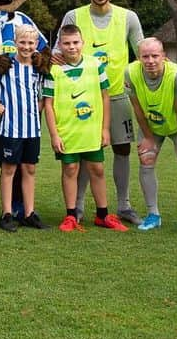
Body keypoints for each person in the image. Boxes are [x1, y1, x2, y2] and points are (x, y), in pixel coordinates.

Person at [56, 0, 145, 224]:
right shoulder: (74, 16)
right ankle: (79, 207)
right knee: (83, 151)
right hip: (81, 97)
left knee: (122, 149)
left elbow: (141, 53)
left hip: (116, 94)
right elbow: (57, 52)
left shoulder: (128, 17)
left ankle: (124, 205)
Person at [43, 24, 123, 232]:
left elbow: (105, 97)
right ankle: (70, 215)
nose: (72, 47)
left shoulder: (96, 65)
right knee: (70, 169)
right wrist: (54, 134)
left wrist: (105, 129)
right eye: (67, 43)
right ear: (59, 45)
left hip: (91, 130)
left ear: (83, 43)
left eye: (75, 42)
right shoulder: (53, 71)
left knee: (97, 169)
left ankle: (103, 215)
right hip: (68, 131)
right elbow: (48, 105)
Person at [0, 25, 47, 231]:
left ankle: (29, 213)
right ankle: (6, 213)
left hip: (32, 128)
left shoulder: (39, 68)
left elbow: (44, 94)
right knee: (9, 169)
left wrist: (37, 108)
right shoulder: (6, 66)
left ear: (36, 45)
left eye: (31, 43)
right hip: (10, 127)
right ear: (15, 43)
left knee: (30, 169)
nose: (26, 46)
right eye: (22, 42)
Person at [125, 38, 177, 235]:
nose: (150, 60)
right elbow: (136, 107)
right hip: (151, 123)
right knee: (146, 159)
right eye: (145, 56)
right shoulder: (130, 73)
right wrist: (148, 137)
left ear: (164, 57)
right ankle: (153, 215)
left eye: (155, 56)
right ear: (139, 58)